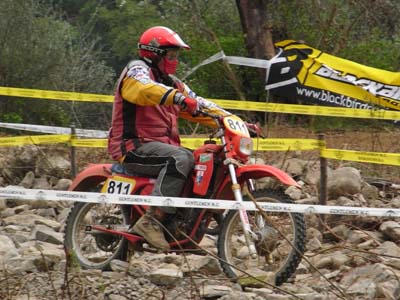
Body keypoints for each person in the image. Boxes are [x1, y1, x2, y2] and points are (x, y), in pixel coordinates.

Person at [107, 26, 228, 250]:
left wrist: (232, 120)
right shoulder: (137, 71)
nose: (175, 60)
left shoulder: (172, 83)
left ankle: (181, 228)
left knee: (205, 162)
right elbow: (144, 90)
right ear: (155, 53)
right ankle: (151, 220)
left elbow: (200, 103)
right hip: (133, 146)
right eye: (171, 55)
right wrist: (178, 98)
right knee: (180, 159)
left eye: (176, 55)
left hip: (161, 147)